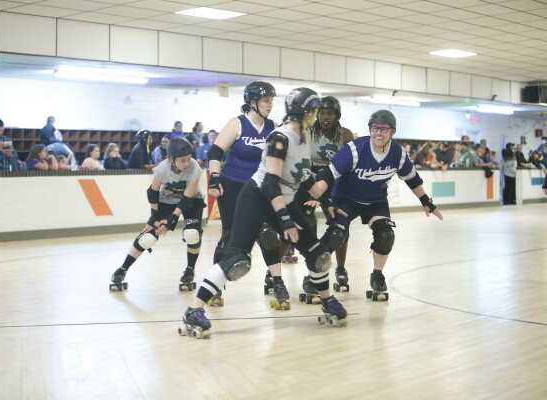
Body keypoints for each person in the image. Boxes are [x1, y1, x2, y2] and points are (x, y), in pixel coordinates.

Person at [181, 88, 349, 339]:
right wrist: (285, 220)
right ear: (308, 112)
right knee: (238, 260)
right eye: (315, 111)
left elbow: (303, 175)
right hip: (258, 197)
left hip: (284, 197)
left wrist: (327, 202)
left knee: (318, 253)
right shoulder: (280, 138)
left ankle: (327, 300)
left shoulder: (304, 136)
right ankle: (194, 310)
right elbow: (270, 182)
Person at [314, 109, 443, 302]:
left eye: (383, 129)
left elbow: (412, 178)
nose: (378, 133)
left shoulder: (398, 153)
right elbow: (327, 174)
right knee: (336, 234)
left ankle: (377, 275)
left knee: (386, 234)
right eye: (374, 129)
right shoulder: (356, 149)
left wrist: (426, 202)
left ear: (393, 132)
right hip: (345, 199)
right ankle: (314, 276)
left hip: (375, 201)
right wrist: (316, 195)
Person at [206, 81, 285, 304]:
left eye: (271, 101)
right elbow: (215, 150)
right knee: (230, 236)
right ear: (252, 103)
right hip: (232, 185)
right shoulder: (237, 124)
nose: (270, 105)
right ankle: (215, 286)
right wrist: (214, 176)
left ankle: (277, 282)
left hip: (259, 186)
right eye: (266, 101)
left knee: (267, 234)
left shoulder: (273, 126)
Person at [109, 137, 206, 293]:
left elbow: (187, 199)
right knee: (148, 237)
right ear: (171, 159)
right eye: (182, 161)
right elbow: (153, 192)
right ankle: (122, 269)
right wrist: (153, 218)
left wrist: (171, 220)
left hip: (192, 201)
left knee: (192, 233)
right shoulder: (162, 168)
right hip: (167, 201)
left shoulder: (194, 167)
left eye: (188, 159)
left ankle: (189, 269)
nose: (186, 164)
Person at [295, 96, 354, 297]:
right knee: (302, 221)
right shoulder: (308, 131)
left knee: (340, 225)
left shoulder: (344, 135)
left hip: (334, 182)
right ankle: (276, 271)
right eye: (322, 113)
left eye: (329, 113)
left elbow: (351, 164)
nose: (325, 117)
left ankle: (340, 267)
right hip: (309, 181)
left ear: (337, 116)